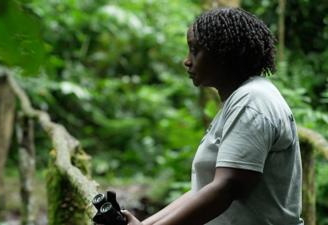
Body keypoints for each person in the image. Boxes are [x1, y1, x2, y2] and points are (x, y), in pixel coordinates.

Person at [120, 7, 304, 225]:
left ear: (224, 53)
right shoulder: (242, 99)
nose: (187, 61)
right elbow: (203, 191)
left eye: (195, 51)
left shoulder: (252, 101)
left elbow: (225, 189)